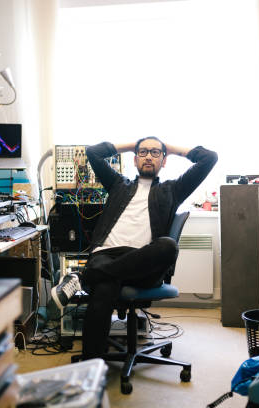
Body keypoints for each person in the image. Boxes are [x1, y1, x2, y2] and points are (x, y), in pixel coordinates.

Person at [51, 137, 218, 360]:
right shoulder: (118, 185)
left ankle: (82, 278)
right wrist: (132, 146)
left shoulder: (173, 190)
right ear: (135, 159)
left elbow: (209, 158)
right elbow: (92, 152)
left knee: (168, 246)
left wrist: (169, 148)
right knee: (106, 284)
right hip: (106, 256)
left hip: (143, 263)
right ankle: (91, 367)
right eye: (143, 152)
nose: (149, 156)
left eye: (155, 153)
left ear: (164, 161)